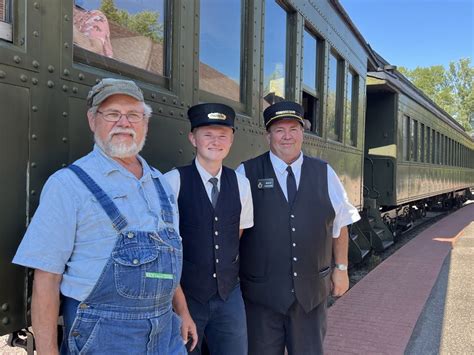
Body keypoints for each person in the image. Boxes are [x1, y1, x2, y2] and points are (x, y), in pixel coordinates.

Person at [12, 78, 185, 354]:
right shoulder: (68, 185)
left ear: (145, 123)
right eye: (112, 114)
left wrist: (182, 312)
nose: (124, 123)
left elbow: (166, 264)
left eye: (133, 115)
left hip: (167, 335)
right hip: (104, 339)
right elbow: (46, 280)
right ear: (93, 121)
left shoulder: (160, 184)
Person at [236, 101, 360, 354]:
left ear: (303, 132)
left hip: (311, 294)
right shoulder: (245, 173)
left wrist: (342, 269)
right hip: (261, 296)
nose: (287, 136)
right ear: (267, 135)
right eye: (279, 130)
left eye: (293, 128)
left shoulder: (324, 172)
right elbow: (233, 232)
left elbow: (340, 223)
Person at [164, 103, 253, 355]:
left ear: (232, 139)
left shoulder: (241, 184)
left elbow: (237, 232)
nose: (216, 141)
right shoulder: (173, 181)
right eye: (208, 134)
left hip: (228, 295)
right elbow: (165, 246)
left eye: (223, 135)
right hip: (187, 295)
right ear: (193, 138)